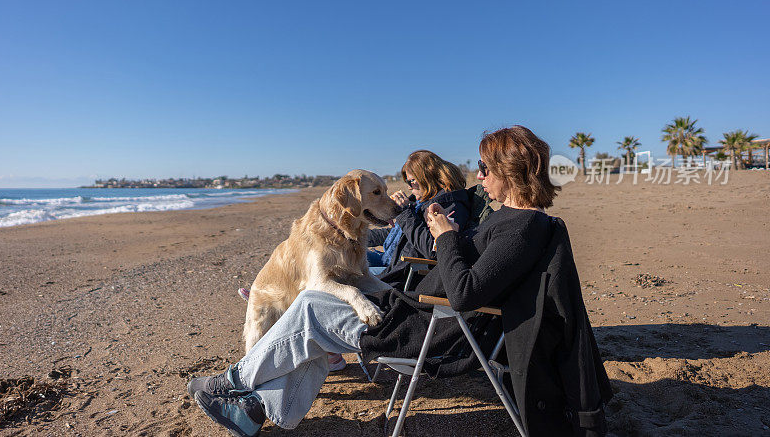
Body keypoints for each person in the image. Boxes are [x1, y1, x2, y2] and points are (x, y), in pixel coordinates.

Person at [188, 126, 611, 436]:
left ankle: (233, 385)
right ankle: (255, 409)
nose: (478, 177)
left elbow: (464, 295)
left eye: (485, 168)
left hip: (434, 331)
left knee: (310, 308)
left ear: (510, 172)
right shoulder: (516, 222)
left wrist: (446, 238)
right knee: (315, 315)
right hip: (424, 314)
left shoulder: (520, 227)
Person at [367, 150, 472, 287]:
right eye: (408, 182)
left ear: (427, 177)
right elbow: (399, 237)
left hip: (400, 271)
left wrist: (404, 213)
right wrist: (359, 236)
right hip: (388, 259)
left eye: (412, 181)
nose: (409, 187)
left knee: (344, 276)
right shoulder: (422, 202)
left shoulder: (449, 205)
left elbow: (431, 249)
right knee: (342, 256)